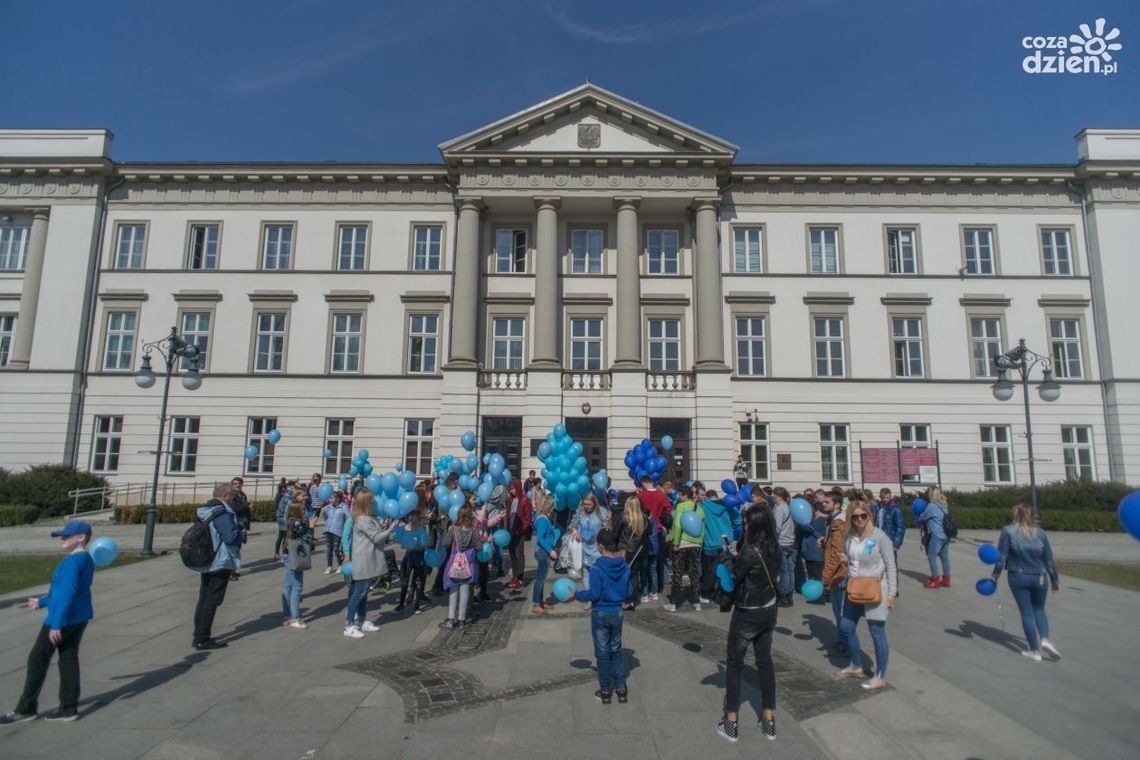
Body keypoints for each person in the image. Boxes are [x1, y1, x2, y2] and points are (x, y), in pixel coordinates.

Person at [1, 521, 95, 724]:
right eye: (61, 535)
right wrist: (43, 601)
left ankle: (25, 709)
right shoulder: (86, 559)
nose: (62, 538)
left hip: (63, 619)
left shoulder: (72, 562)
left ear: (81, 537)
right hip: (79, 617)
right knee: (68, 658)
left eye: (67, 536)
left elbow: (68, 594)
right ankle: (68, 708)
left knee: (37, 659)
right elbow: (71, 592)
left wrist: (57, 624)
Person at [715, 507, 783, 743]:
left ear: (755, 524)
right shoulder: (775, 547)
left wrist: (728, 556)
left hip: (747, 612)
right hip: (769, 608)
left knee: (734, 664)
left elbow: (735, 577)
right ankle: (768, 718)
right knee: (765, 662)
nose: (744, 526)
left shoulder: (750, 550)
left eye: (746, 522)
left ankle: (731, 721)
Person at [835, 501, 897, 690]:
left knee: (877, 632)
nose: (860, 519)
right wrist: (846, 560)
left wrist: (892, 593)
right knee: (846, 626)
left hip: (875, 590)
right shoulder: (849, 536)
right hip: (855, 588)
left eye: (863, 516)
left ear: (869, 516)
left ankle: (880, 676)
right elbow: (853, 560)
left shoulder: (879, 536)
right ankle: (856, 666)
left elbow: (890, 565)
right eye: (855, 516)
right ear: (850, 518)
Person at [991, 503, 1061, 662]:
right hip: (1040, 576)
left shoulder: (1008, 531)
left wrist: (995, 575)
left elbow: (1001, 556)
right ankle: (1045, 639)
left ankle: (1035, 650)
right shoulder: (1041, 533)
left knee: (1026, 612)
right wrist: (1055, 580)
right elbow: (1049, 559)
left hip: (1018, 575)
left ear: (1016, 515)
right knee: (1039, 609)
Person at [571, 528, 633, 705]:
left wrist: (576, 595)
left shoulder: (597, 567)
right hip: (617, 612)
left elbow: (594, 593)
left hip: (601, 613)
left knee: (602, 653)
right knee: (616, 649)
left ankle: (605, 690)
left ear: (600, 546)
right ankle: (621, 688)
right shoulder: (624, 566)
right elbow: (629, 591)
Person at [192, 482, 245, 650]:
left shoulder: (206, 509)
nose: (232, 499)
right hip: (220, 559)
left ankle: (198, 634)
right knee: (212, 599)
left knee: (204, 596)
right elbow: (229, 537)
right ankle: (203, 637)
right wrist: (241, 536)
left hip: (208, 558)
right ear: (225, 496)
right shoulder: (222, 512)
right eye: (231, 496)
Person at [343, 492, 394, 639]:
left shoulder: (366, 518)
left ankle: (362, 620)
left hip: (367, 560)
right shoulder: (363, 519)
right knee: (359, 592)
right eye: (372, 502)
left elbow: (376, 533)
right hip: (363, 561)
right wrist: (390, 529)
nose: (375, 504)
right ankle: (349, 623)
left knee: (363, 592)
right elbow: (376, 538)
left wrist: (385, 526)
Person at [441, 503, 480, 629]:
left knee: (453, 590)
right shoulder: (473, 530)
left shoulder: (454, 529)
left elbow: (446, 543)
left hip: (455, 563)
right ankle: (462, 619)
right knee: (465, 591)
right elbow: (478, 546)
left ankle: (451, 619)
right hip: (468, 562)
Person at [665, 485, 703, 612]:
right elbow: (702, 527)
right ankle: (697, 602)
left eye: (680, 494)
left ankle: (673, 603)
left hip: (682, 543)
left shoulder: (680, 507)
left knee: (678, 573)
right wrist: (699, 543)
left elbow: (677, 525)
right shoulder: (699, 508)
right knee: (694, 573)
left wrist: (675, 542)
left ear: (685, 495)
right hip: (696, 544)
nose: (678, 497)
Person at [699, 489, 741, 605]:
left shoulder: (704, 506)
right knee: (725, 569)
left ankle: (706, 594)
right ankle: (723, 594)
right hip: (726, 542)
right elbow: (738, 521)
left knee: (708, 571)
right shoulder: (728, 506)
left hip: (710, 543)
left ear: (707, 497)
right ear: (717, 496)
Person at [819, 491, 848, 655]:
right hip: (839, 572)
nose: (823, 504)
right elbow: (834, 546)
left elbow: (837, 552)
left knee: (841, 612)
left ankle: (846, 645)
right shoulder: (834, 521)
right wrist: (825, 542)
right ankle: (843, 640)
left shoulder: (838, 523)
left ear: (836, 504)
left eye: (826, 502)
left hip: (840, 574)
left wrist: (826, 575)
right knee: (839, 611)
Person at [395, 488, 432, 614]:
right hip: (410, 555)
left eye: (414, 515)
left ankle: (416, 605)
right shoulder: (406, 527)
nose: (412, 517)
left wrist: (421, 543)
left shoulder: (422, 525)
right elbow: (402, 542)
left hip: (419, 555)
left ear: (417, 515)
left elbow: (426, 542)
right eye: (410, 515)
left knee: (418, 580)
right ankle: (401, 604)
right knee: (405, 580)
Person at [281, 499, 313, 629]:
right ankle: (295, 617)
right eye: (303, 509)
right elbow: (307, 539)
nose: (305, 511)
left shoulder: (289, 521)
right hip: (295, 554)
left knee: (288, 584)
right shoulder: (298, 523)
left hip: (287, 552)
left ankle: (287, 615)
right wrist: (311, 527)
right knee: (297, 585)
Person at [614, 495, 648, 610]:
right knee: (634, 576)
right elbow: (648, 533)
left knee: (623, 576)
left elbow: (616, 533)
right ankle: (632, 600)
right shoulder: (644, 518)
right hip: (637, 551)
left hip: (623, 551)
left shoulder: (623, 517)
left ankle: (625, 600)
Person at [530, 492, 558, 615]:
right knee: (540, 579)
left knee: (542, 578)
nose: (553, 509)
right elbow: (540, 538)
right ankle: (536, 603)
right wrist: (550, 551)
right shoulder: (542, 520)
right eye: (552, 506)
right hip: (543, 552)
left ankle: (540, 602)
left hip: (544, 552)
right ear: (547, 506)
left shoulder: (544, 519)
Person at [918, 487, 952, 587]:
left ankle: (935, 579)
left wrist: (918, 517)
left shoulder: (931, 506)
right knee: (944, 558)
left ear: (931, 494)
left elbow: (923, 518)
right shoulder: (944, 505)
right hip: (946, 535)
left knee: (931, 557)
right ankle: (946, 579)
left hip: (936, 535)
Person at [770, 487, 796, 608]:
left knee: (784, 571)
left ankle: (784, 596)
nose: (773, 496)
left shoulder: (780, 509)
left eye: (774, 494)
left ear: (779, 496)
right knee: (790, 570)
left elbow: (777, 528)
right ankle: (790, 595)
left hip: (782, 543)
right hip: (790, 542)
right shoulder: (789, 507)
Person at [505, 477, 533, 591]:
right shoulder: (511, 500)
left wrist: (522, 529)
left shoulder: (525, 500)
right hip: (510, 531)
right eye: (510, 489)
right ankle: (514, 576)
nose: (511, 491)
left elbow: (528, 517)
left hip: (519, 532)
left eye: (512, 489)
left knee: (519, 553)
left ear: (517, 487)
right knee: (512, 553)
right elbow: (508, 514)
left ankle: (520, 578)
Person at [573, 492, 604, 591]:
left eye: (589, 504)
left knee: (597, 574)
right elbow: (573, 526)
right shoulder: (580, 512)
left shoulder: (602, 512)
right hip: (584, 548)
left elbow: (608, 528)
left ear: (594, 503)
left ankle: (597, 595)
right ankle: (589, 598)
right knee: (586, 574)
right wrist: (576, 533)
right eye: (585, 504)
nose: (587, 507)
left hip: (598, 549)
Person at [873, 488, 905, 570]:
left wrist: (896, 543)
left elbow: (900, 527)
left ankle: (893, 581)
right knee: (877, 562)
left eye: (887, 497)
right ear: (880, 497)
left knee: (891, 564)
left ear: (890, 497)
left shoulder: (895, 509)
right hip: (876, 539)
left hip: (889, 540)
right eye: (883, 498)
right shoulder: (877, 507)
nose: (885, 500)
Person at [321, 491, 350, 574]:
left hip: (338, 531)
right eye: (329, 498)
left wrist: (346, 529)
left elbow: (348, 518)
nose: (330, 500)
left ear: (337, 499)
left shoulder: (344, 507)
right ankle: (329, 566)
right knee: (328, 549)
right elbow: (325, 518)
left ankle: (340, 565)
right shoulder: (329, 507)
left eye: (332, 498)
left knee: (336, 549)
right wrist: (323, 512)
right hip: (328, 530)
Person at [229, 477, 250, 579]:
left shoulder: (242, 494)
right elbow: (235, 510)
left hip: (243, 523)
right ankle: (231, 572)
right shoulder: (232, 496)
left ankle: (234, 569)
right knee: (234, 548)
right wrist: (247, 504)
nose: (237, 485)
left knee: (238, 547)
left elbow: (246, 512)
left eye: (239, 483)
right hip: (236, 523)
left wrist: (247, 526)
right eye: (235, 484)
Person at [273, 482, 293, 560]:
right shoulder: (286, 497)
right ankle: (283, 554)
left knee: (281, 536)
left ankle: (277, 553)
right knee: (284, 537)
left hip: (281, 518)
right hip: (283, 518)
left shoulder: (285, 495)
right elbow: (286, 508)